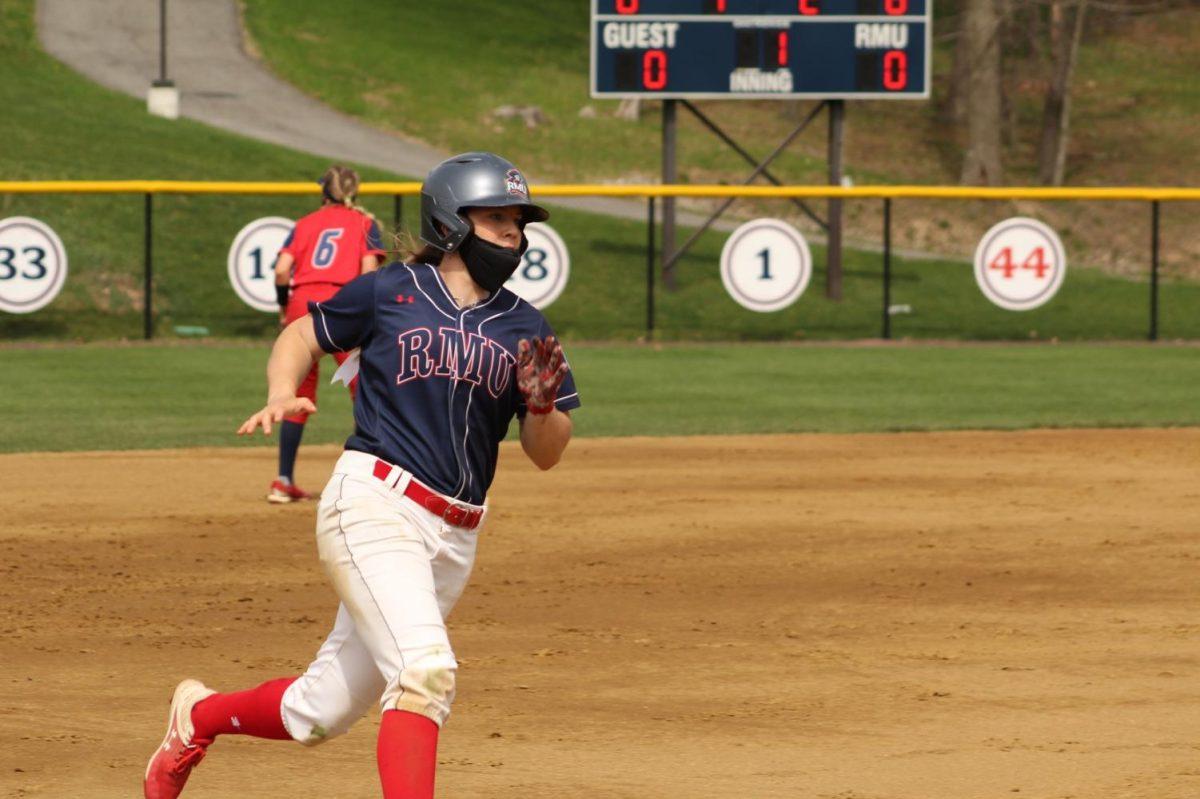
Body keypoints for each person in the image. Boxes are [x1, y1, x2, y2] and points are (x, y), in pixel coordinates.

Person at [144, 152, 579, 799]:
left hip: (453, 541)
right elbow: (300, 337)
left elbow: (546, 451)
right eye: (495, 218)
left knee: (320, 710)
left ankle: (196, 716)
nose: (512, 233)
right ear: (452, 219)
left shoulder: (526, 326)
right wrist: (280, 389)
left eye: (518, 221)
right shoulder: (392, 290)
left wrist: (542, 404)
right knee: (426, 672)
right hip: (375, 504)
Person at [267, 164, 386, 504]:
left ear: (323, 192)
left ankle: (283, 480)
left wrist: (282, 307)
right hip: (341, 306)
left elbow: (281, 271)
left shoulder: (303, 224)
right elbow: (368, 273)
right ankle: (373, 479)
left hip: (300, 306)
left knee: (296, 391)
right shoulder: (364, 224)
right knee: (365, 388)